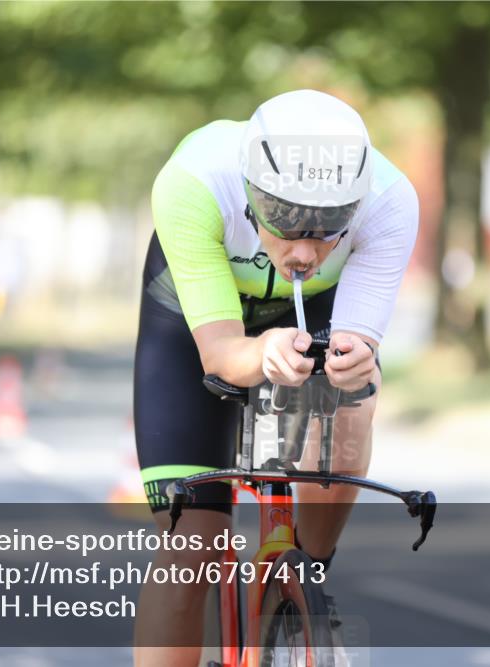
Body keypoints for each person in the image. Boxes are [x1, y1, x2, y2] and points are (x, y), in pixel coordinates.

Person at [132, 89, 418, 666]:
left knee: (356, 397)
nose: (305, 253)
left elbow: (359, 342)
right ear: (252, 191)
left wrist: (356, 359)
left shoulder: (390, 201)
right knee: (194, 551)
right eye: (286, 222)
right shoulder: (193, 180)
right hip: (200, 321)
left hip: (315, 311)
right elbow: (218, 354)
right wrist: (261, 353)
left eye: (328, 229)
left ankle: (305, 578)